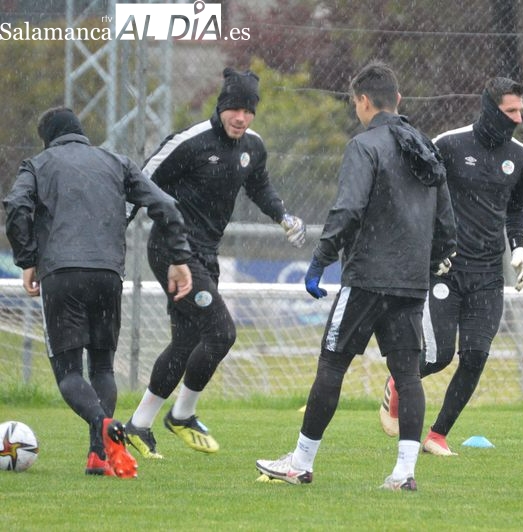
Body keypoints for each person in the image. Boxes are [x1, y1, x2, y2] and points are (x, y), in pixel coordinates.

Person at [255, 61, 457, 491]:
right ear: (397, 100)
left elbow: (348, 209)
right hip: (410, 282)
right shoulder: (425, 147)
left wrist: (319, 260)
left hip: (366, 278)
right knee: (406, 373)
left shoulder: (364, 146)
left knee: (333, 363)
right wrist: (431, 260)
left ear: (363, 102)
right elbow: (447, 224)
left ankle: (301, 463)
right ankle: (404, 473)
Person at [123, 67, 307, 459]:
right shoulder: (189, 143)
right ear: (222, 106)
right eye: (235, 109)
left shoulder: (253, 147)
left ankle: (137, 425)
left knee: (187, 341)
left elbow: (259, 186)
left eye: (249, 110)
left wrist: (282, 216)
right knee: (222, 333)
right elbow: (140, 181)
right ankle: (182, 414)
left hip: (205, 254)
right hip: (173, 252)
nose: (241, 117)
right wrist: (113, 231)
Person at [3, 107, 193, 477]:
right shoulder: (115, 162)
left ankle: (105, 426)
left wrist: (27, 258)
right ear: (80, 133)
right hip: (108, 275)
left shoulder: (39, 164)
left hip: (62, 274)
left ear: (48, 138)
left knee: (70, 372)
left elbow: (16, 206)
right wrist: (180, 256)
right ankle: (99, 456)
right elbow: (165, 204)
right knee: (103, 366)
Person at [378, 77, 523, 456]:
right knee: (438, 355)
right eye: (510, 111)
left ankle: (437, 434)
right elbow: (419, 191)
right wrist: (427, 247)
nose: (518, 119)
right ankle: (398, 384)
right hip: (446, 269)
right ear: (491, 109)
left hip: (487, 276)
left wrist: (519, 247)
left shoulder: (522, 157)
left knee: (477, 355)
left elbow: (516, 210)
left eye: (520, 111)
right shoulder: (450, 143)